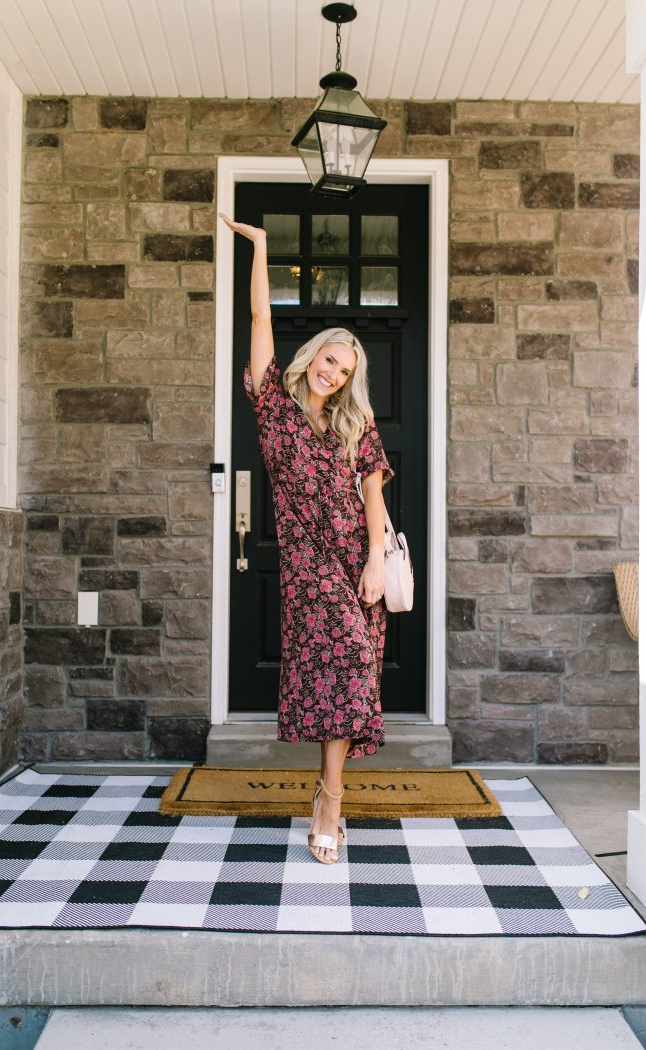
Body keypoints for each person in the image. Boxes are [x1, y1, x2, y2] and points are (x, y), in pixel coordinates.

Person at [220, 213, 395, 865]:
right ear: (312, 356)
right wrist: (262, 249)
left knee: (350, 680)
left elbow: (373, 495)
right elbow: (260, 319)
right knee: (336, 676)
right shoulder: (273, 404)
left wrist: (377, 560)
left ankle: (329, 800)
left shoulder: (356, 423)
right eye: (330, 360)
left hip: (358, 563)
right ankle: (330, 800)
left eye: (345, 370)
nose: (334, 375)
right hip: (307, 567)